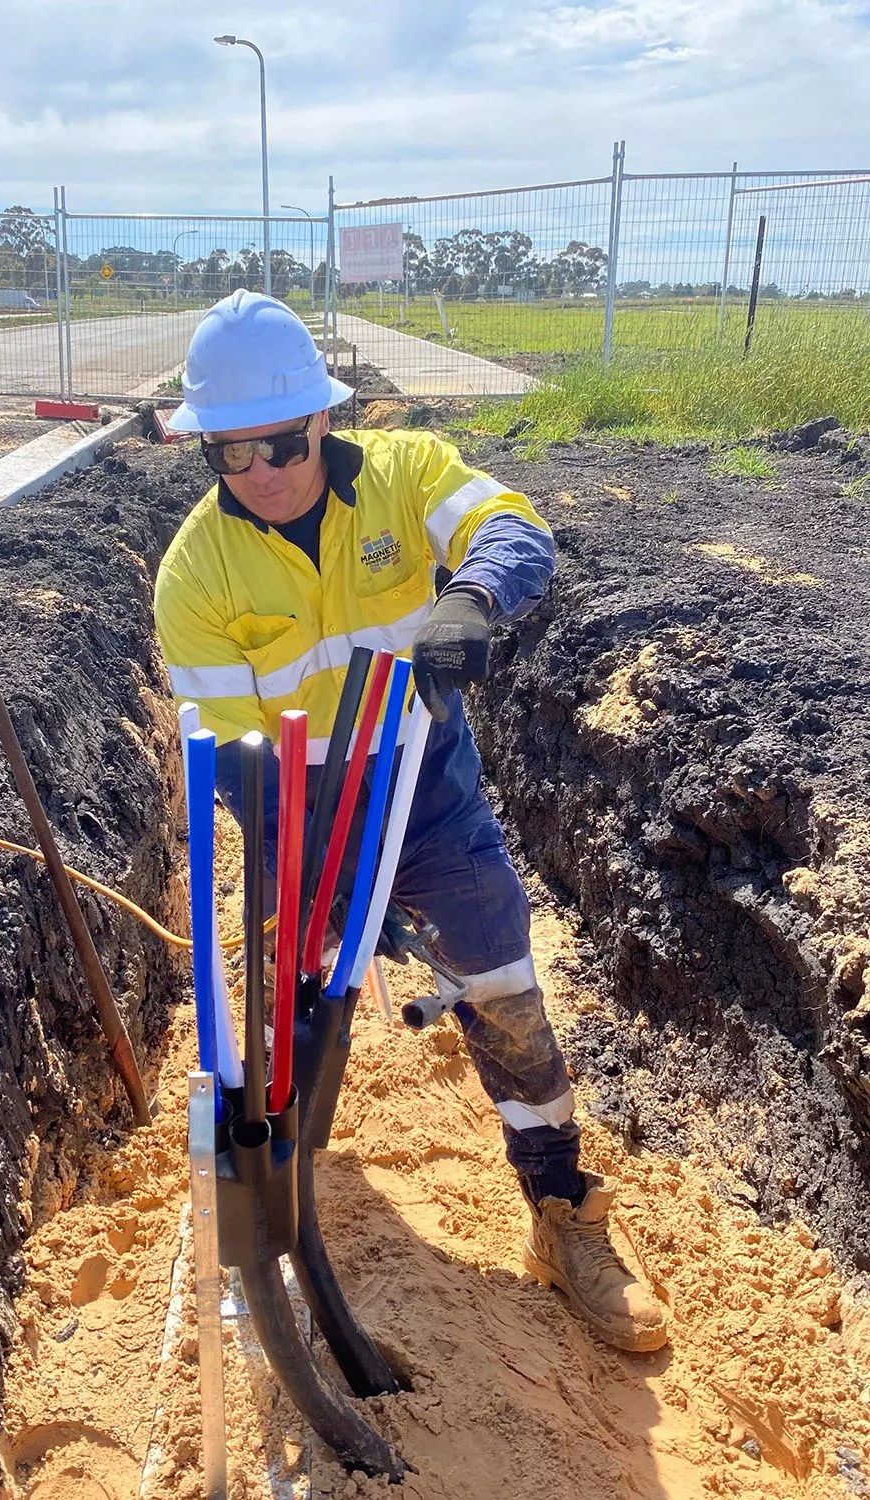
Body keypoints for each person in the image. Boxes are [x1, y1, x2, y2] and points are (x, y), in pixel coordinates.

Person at [153, 290, 667, 1354]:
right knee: (290, 1005)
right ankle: (278, 1192)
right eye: (230, 454)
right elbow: (230, 757)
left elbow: (516, 527)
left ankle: (561, 1208)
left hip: (425, 783)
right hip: (295, 802)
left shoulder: (407, 473)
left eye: (281, 443)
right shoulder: (194, 573)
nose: (262, 473)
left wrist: (472, 595)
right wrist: (325, 879)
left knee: (497, 976)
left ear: (324, 421)